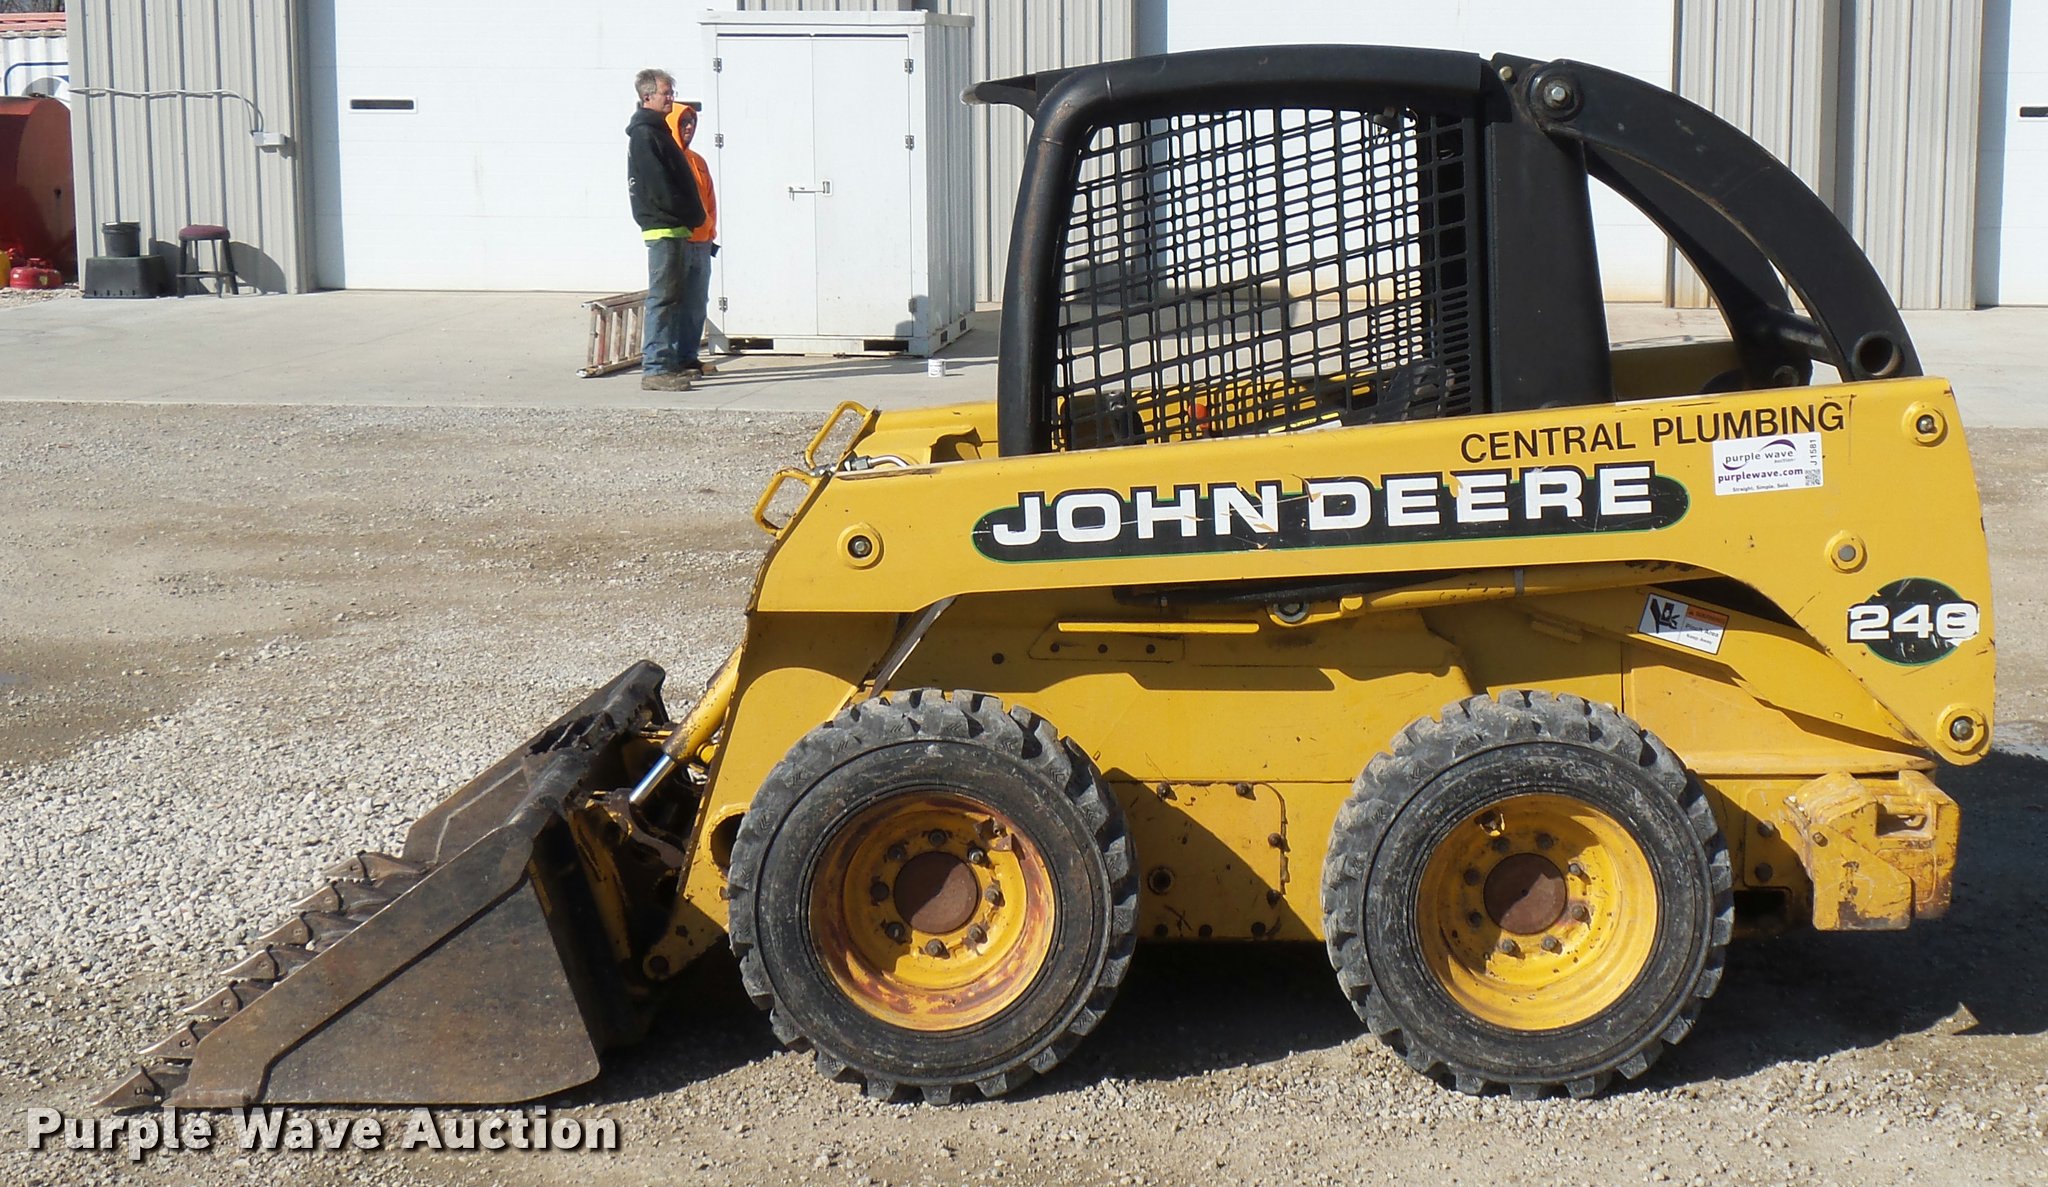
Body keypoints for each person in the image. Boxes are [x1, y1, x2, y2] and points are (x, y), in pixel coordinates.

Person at [626, 68, 706, 392]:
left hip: (676, 229)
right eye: (666, 93)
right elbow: (659, 188)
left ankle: (670, 363)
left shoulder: (658, 132)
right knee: (663, 300)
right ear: (647, 97)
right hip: (664, 229)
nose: (671, 98)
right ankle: (656, 368)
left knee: (676, 300)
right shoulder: (645, 135)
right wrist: (687, 213)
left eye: (672, 92)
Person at [666, 101, 719, 377]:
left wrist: (710, 232)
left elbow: (710, 200)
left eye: (692, 123)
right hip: (679, 241)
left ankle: (688, 357)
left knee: (697, 305)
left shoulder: (698, 161)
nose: (689, 127)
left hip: (702, 243)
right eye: (683, 122)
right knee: (675, 303)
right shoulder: (667, 158)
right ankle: (670, 360)